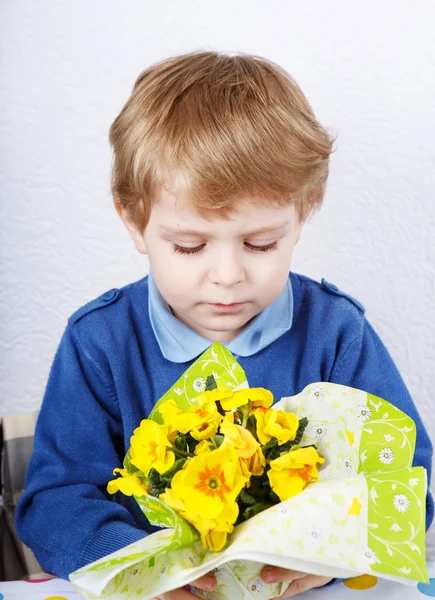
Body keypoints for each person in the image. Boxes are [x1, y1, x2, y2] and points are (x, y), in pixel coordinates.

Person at [16, 51, 433, 599]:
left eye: (260, 243)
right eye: (189, 246)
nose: (228, 276)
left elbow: (408, 478)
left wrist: (332, 555)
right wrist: (136, 568)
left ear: (305, 211)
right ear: (133, 220)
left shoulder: (335, 330)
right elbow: (55, 500)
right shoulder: (100, 341)